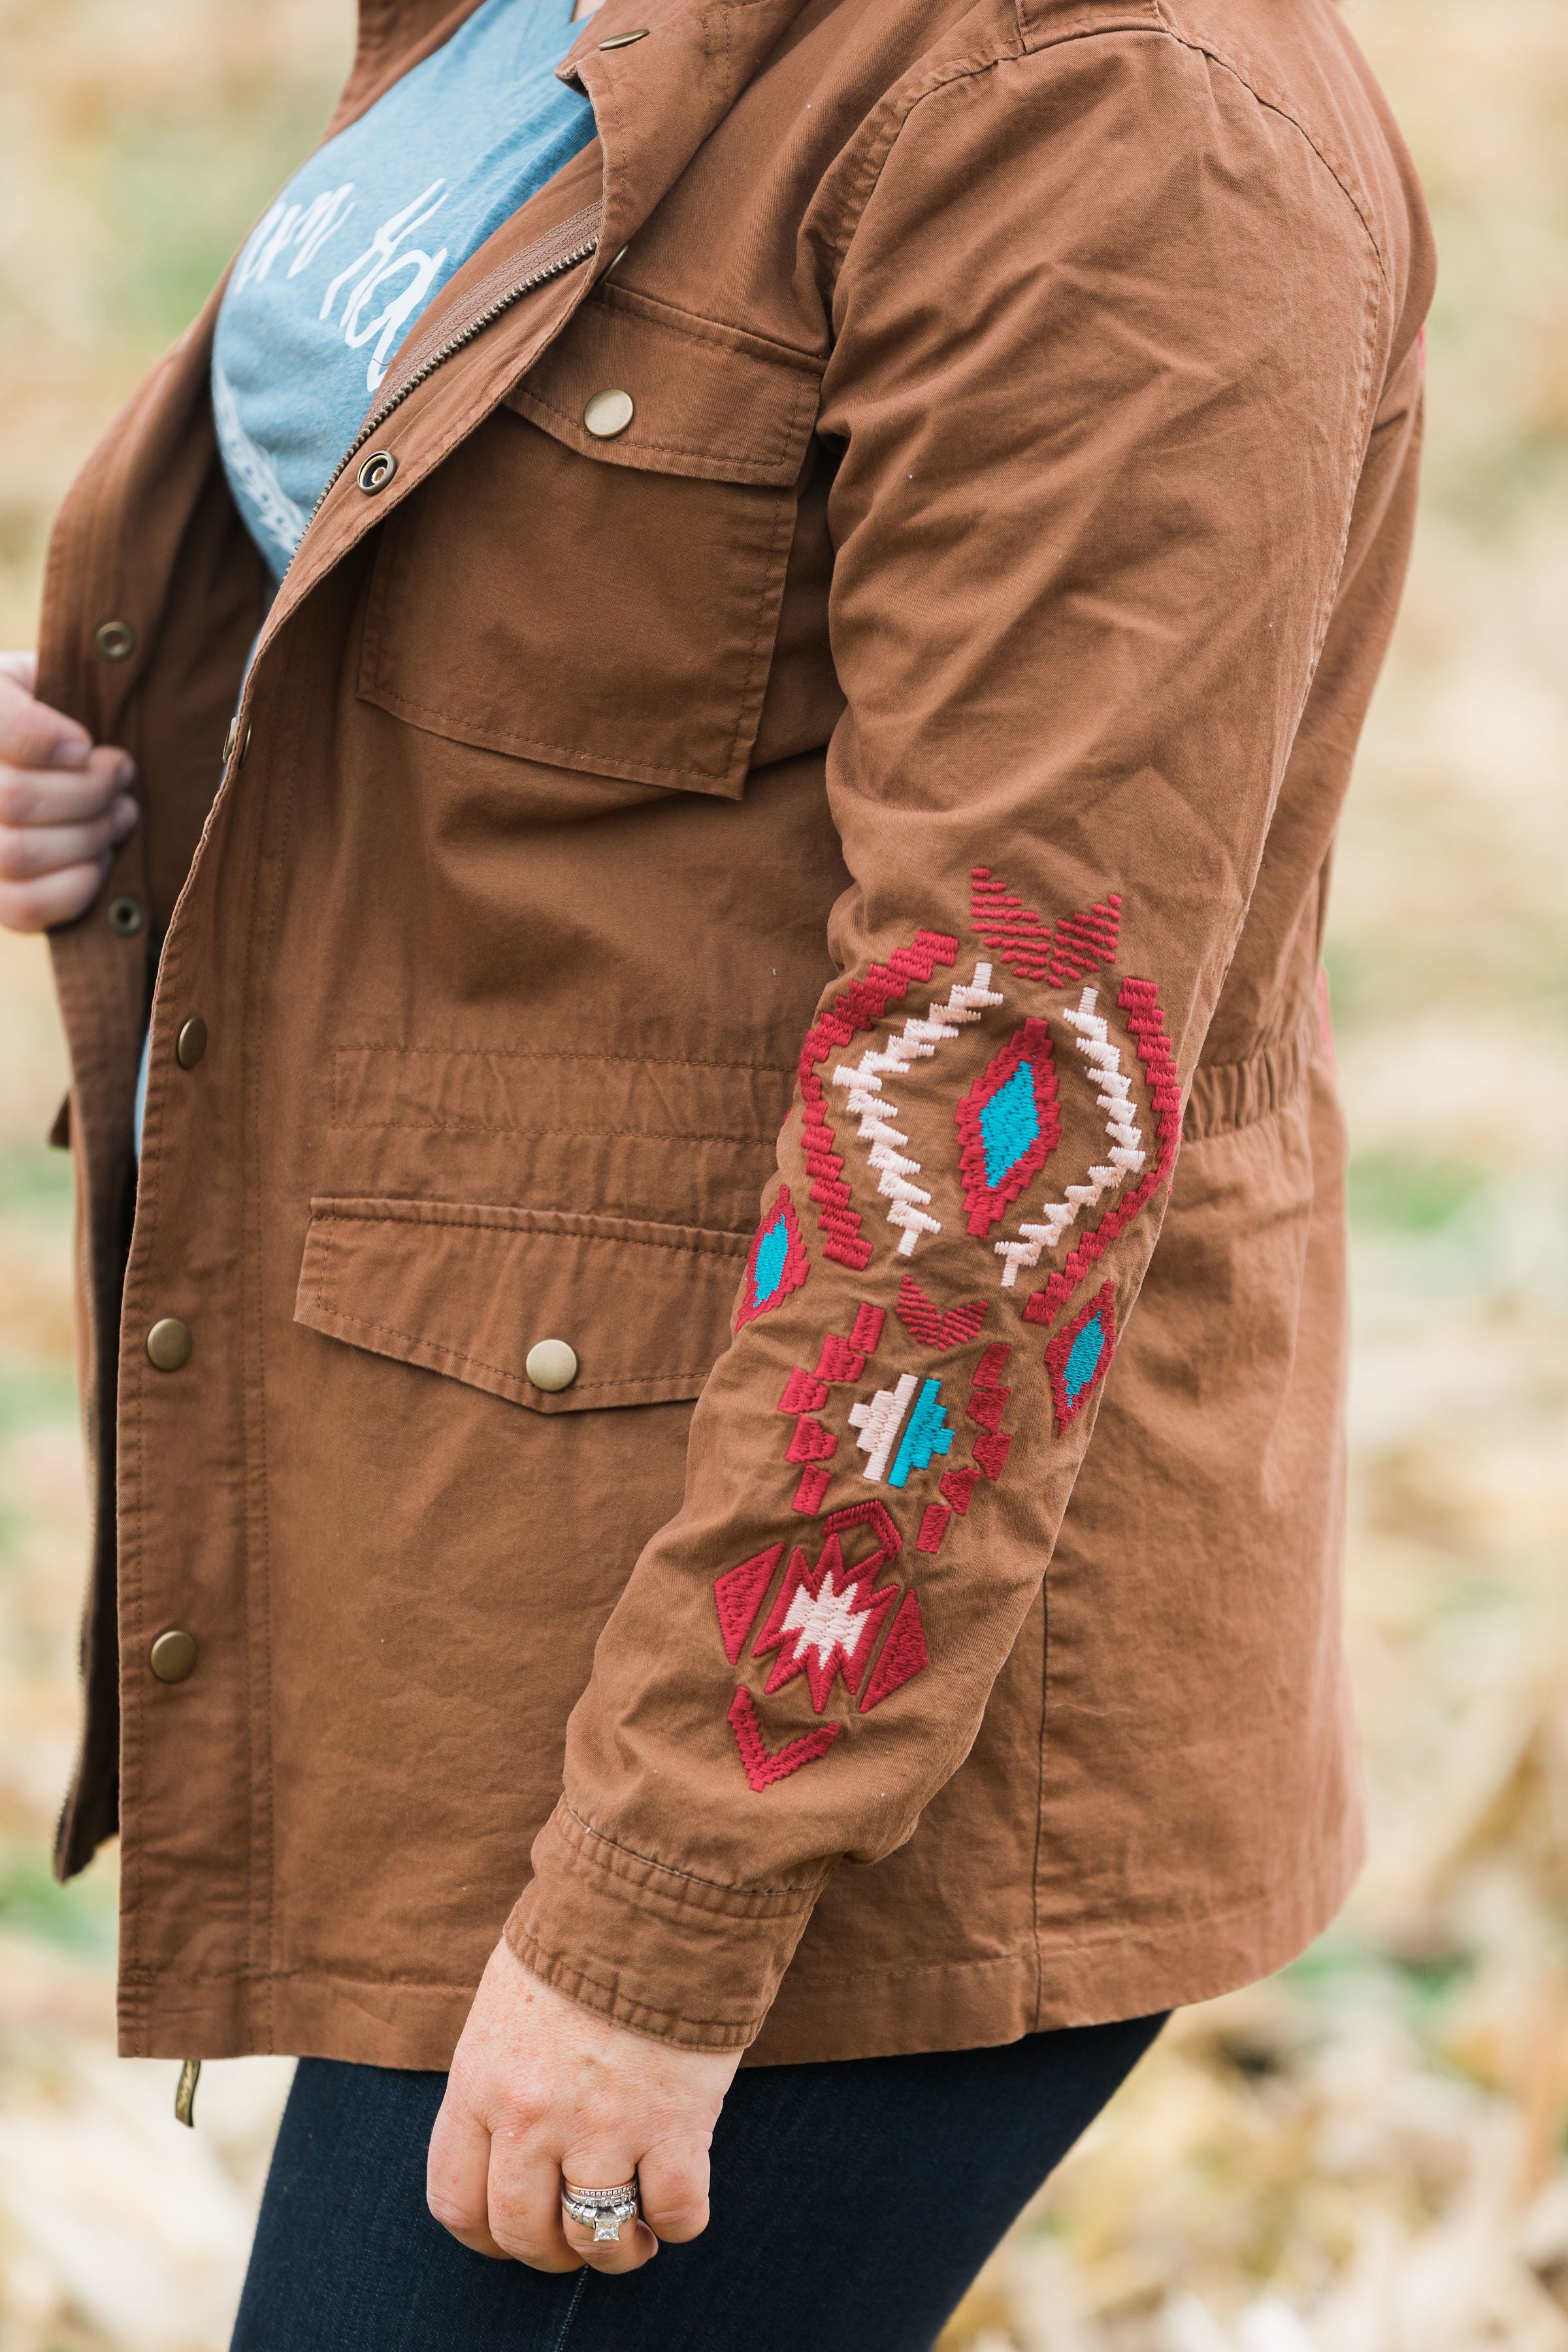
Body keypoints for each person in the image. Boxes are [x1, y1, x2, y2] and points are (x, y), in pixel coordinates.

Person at [0, 0, 1433, 2342]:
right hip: (483, 1576)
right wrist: (154, 738)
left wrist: (660, 1917)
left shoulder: (1116, 120)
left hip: (787, 1714)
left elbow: (1002, 1091)